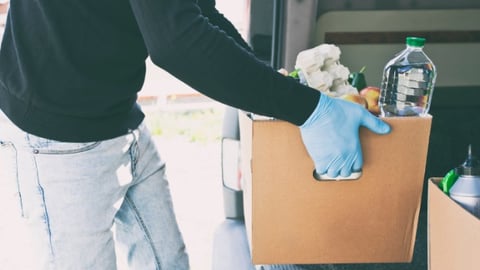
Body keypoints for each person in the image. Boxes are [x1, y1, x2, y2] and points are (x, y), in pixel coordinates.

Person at [0, 0, 391, 269]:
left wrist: (275, 91)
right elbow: (177, 42)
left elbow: (198, 14)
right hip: (58, 137)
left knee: (168, 262)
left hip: (120, 117)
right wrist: (310, 109)